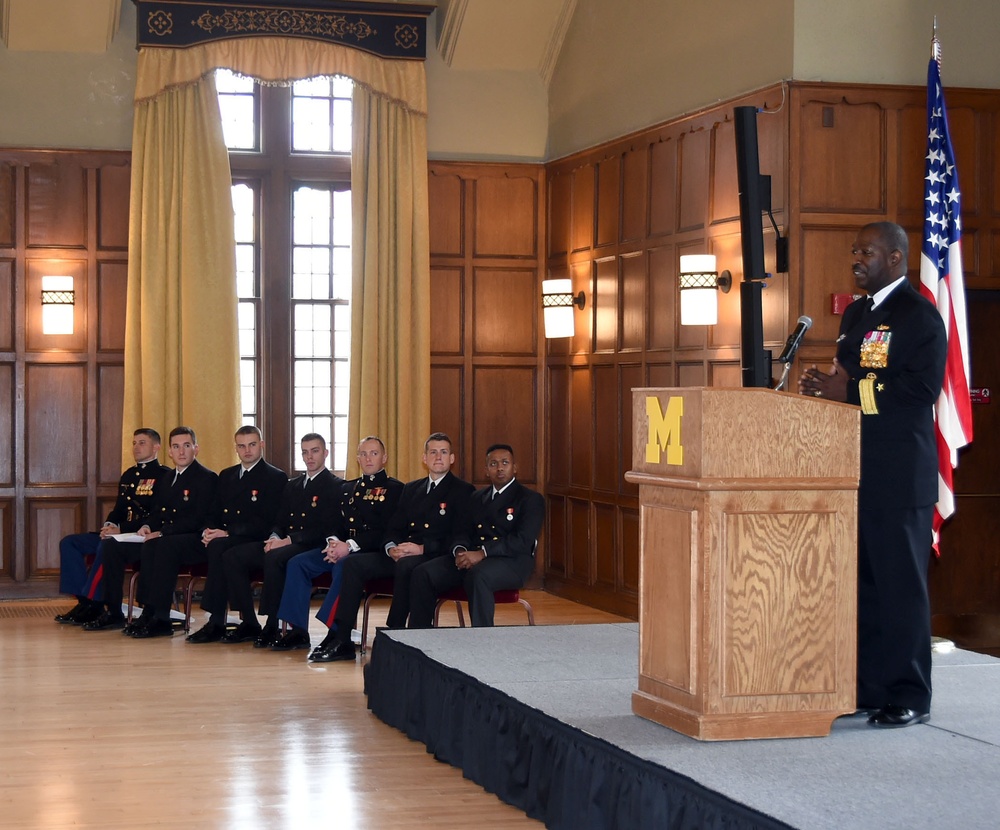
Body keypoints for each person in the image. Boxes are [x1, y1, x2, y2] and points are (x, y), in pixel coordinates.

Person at [799, 221, 946, 728]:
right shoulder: (859, 312)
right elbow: (852, 373)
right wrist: (825, 384)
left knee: (900, 588)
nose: (857, 258)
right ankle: (868, 687)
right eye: (855, 250)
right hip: (855, 470)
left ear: (897, 258)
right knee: (862, 587)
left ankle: (910, 694)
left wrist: (851, 394)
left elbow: (916, 392)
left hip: (899, 475)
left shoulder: (919, 316)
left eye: (868, 251)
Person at [308, 432, 473, 662]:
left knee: (409, 566)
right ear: (424, 458)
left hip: (434, 556)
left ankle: (393, 632)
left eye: (443, 452)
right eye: (432, 452)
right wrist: (390, 547)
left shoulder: (464, 491)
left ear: (452, 458)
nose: (438, 457)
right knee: (353, 564)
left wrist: (422, 548)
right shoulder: (412, 489)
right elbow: (393, 527)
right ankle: (342, 638)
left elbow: (462, 536)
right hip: (402, 553)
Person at [131, 425, 288, 643]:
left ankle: (219, 621)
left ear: (261, 445)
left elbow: (269, 520)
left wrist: (226, 531)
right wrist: (210, 530)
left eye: (252, 445)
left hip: (253, 537)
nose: (247, 451)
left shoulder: (275, 476)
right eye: (242, 446)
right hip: (225, 536)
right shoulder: (228, 475)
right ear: (236, 448)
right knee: (214, 545)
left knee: (220, 549)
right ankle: (218, 621)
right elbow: (214, 511)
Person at [270, 436, 403, 654]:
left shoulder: (395, 490)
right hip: (343, 548)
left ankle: (337, 633)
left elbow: (387, 531)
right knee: (298, 563)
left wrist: (349, 546)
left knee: (345, 565)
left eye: (374, 453)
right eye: (363, 454)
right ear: (357, 458)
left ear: (384, 458)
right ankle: (298, 631)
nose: (368, 458)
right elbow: (333, 522)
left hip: (373, 552)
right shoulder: (348, 488)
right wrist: (333, 542)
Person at [82, 427, 218, 633]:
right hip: (164, 538)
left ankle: (159, 616)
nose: (181, 452)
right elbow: (158, 512)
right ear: (170, 452)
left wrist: (163, 532)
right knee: (112, 546)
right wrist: (147, 527)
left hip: (193, 541)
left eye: (187, 446)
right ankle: (114, 612)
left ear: (196, 449)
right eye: (176, 447)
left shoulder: (206, 477)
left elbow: (198, 519)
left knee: (160, 545)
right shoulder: (168, 478)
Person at [219, 433, 343, 648]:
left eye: (314, 451)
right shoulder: (293, 485)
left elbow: (325, 528)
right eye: (305, 452)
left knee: (276, 557)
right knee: (234, 556)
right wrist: (275, 536)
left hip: (311, 544)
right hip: (287, 542)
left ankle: (273, 623)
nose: (309, 457)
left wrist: (287, 540)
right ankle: (248, 620)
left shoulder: (335, 485)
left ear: (325, 453)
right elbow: (280, 519)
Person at [408, 443, 545, 629]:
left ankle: (481, 640)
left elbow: (522, 540)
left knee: (479, 576)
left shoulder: (530, 499)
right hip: (473, 558)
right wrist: (460, 551)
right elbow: (463, 530)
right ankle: (419, 637)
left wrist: (482, 553)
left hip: (512, 562)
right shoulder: (478, 497)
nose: (500, 468)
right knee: (423, 572)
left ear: (515, 467)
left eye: (505, 462)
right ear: (486, 470)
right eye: (493, 464)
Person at [54, 428, 168, 626]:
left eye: (142, 443)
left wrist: (121, 529)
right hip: (120, 533)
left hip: (141, 537)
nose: (136, 447)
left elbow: (157, 516)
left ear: (156, 447)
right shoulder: (129, 475)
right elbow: (119, 509)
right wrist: (109, 524)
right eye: (134, 443)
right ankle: (83, 600)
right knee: (70, 543)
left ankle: (94, 603)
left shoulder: (164, 475)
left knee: (106, 546)